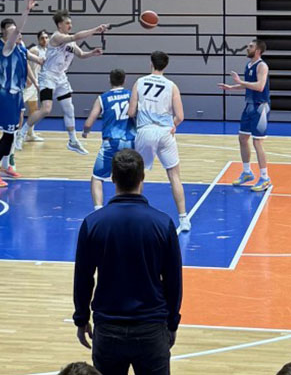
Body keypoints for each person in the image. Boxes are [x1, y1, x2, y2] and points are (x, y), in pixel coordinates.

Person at [73, 149, 182, 375]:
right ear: (143, 177)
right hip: (151, 328)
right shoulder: (163, 224)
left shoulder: (93, 223)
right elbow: (173, 281)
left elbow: (83, 278)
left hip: (108, 329)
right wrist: (172, 322)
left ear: (112, 178)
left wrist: (81, 318)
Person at [24, 10, 109, 155]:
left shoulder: (71, 41)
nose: (70, 25)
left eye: (70, 22)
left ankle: (73, 141)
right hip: (48, 76)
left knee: (69, 109)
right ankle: (22, 133)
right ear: (59, 25)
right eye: (67, 23)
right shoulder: (57, 37)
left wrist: (92, 53)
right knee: (46, 109)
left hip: (61, 78)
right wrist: (96, 29)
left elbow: (80, 54)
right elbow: (76, 36)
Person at [0, 0, 39, 188]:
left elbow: (36, 61)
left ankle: (4, 165)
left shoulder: (20, 47)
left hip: (16, 94)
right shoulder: (3, 47)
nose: (17, 33)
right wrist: (27, 10)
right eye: (13, 30)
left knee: (11, 132)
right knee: (8, 134)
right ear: (5, 33)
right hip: (3, 93)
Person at [128, 51, 189, 232]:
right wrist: (173, 126)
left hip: (145, 131)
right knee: (174, 176)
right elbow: (180, 116)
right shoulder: (172, 86)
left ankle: (133, 215)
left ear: (151, 63)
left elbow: (131, 112)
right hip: (164, 132)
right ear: (166, 66)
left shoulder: (139, 82)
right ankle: (184, 219)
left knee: (138, 175)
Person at [218, 39, 272, 192]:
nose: (247, 48)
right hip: (249, 105)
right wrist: (231, 87)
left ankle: (265, 177)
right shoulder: (248, 65)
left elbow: (260, 86)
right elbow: (246, 85)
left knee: (257, 142)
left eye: (250, 46)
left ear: (258, 50)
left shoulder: (262, 66)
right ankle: (247, 172)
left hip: (260, 107)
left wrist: (240, 81)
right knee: (242, 138)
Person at [82, 69, 137, 210]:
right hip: (130, 141)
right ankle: (133, 205)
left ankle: (98, 209)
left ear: (109, 80)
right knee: (132, 176)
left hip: (111, 142)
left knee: (97, 177)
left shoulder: (103, 98)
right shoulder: (132, 95)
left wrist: (85, 132)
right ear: (124, 80)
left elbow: (89, 122)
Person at [16, 29, 50, 146]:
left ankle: (30, 133)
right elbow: (24, 63)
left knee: (33, 109)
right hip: (29, 84)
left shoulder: (47, 50)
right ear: (38, 39)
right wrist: (27, 79)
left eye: (46, 37)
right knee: (17, 108)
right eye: (42, 38)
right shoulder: (35, 50)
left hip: (37, 84)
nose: (44, 40)